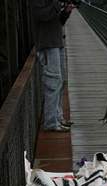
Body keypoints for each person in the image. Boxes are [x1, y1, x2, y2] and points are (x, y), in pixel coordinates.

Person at [31, 0, 75, 132]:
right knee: (52, 83)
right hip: (47, 44)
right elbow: (42, 16)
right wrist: (57, 3)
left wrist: (66, 11)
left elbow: (58, 21)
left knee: (60, 82)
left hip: (57, 42)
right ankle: (51, 122)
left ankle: (58, 117)